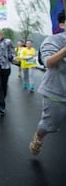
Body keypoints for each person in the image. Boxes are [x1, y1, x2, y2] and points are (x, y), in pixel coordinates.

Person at [29, 12, 66, 155]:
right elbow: (49, 62)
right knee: (49, 125)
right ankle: (38, 137)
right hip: (56, 91)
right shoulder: (53, 41)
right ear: (62, 24)